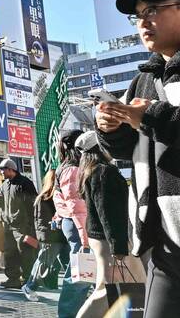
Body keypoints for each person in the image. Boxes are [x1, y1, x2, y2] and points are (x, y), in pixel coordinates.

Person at [95, 0, 180, 318]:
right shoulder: (143, 79)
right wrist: (111, 128)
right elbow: (127, 149)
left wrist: (149, 115)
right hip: (164, 242)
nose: (144, 22)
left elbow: (153, 121)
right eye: (139, 15)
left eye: (154, 10)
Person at [75, 132, 132, 318]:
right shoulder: (103, 172)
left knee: (106, 287)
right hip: (108, 239)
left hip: (100, 237)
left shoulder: (90, 171)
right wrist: (118, 246)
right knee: (106, 289)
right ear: (100, 147)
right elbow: (107, 211)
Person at [53, 130, 91, 317]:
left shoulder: (65, 167)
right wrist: (84, 236)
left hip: (75, 223)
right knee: (79, 275)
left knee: (82, 273)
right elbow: (77, 205)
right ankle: (68, 314)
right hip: (78, 225)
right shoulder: (72, 168)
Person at [22, 170, 67, 302]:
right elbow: (41, 221)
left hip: (61, 236)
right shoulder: (44, 198)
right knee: (44, 262)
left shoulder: (57, 195)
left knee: (68, 263)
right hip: (52, 237)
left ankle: (80, 289)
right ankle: (29, 286)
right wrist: (46, 237)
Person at [0, 158, 38, 289]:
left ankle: (27, 279)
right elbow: (3, 205)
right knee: (9, 253)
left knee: (25, 253)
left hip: (23, 226)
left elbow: (33, 205)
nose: (0, 171)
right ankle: (12, 279)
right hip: (8, 225)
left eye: (2, 169)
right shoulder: (4, 185)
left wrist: (31, 226)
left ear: (10, 169)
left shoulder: (25, 183)